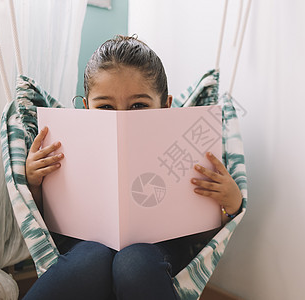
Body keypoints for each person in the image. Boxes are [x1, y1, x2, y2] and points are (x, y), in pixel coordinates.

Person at [23, 35, 242, 300]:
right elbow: (43, 225)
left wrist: (229, 206)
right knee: (92, 259)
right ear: (85, 108)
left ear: (166, 106)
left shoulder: (189, 150)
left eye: (139, 105)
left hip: (159, 250)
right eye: (105, 106)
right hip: (86, 245)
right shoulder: (62, 145)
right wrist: (33, 182)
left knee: (133, 262)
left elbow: (202, 241)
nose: (122, 118)